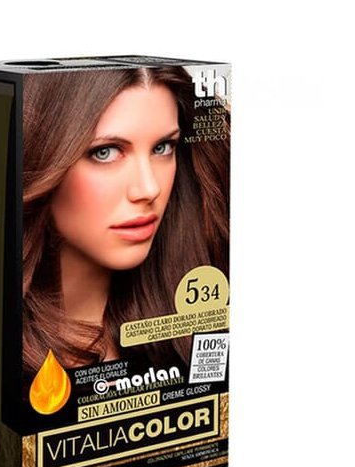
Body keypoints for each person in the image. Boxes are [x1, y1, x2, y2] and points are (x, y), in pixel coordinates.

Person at [22, 66, 229, 382]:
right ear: (42, 158)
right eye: (105, 152)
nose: (148, 189)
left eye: (163, 148)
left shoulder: (197, 333)